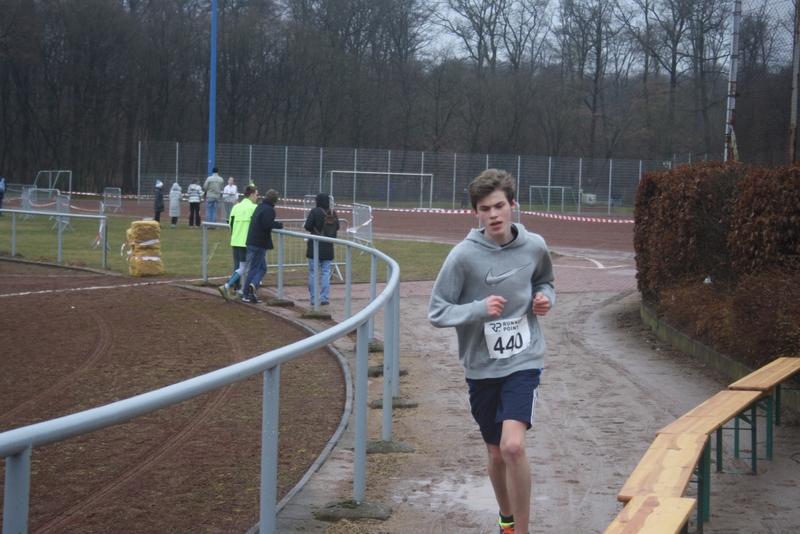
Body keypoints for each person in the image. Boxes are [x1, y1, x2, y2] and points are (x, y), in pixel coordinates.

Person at [428, 169, 555, 534]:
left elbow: (545, 281)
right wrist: (478, 309)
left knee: (513, 447)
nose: (494, 214)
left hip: (523, 360)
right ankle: (507, 519)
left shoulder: (534, 246)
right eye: (485, 209)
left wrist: (545, 298)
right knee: (497, 454)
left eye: (499, 205)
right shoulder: (462, 257)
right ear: (476, 213)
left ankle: (521, 531)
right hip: (481, 367)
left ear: (513, 204)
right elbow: (437, 311)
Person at [218, 185, 259, 301]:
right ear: (251, 195)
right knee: (244, 268)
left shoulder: (236, 207)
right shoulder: (253, 208)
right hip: (246, 243)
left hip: (235, 240)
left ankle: (237, 289)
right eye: (256, 195)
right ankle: (227, 286)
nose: (257, 197)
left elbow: (230, 223)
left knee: (237, 266)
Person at [242, 189, 283, 303]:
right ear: (275, 200)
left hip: (252, 241)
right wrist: (278, 225)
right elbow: (267, 225)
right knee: (255, 268)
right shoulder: (269, 210)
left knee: (262, 268)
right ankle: (247, 292)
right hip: (258, 243)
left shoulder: (259, 207)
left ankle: (252, 289)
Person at [303, 193, 339, 306]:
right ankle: (324, 298)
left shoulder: (314, 211)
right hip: (328, 246)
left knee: (313, 273)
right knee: (326, 273)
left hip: (314, 246)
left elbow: (307, 226)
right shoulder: (332, 213)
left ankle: (314, 299)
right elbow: (337, 227)